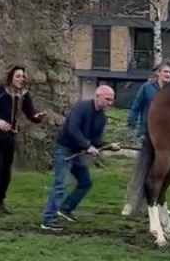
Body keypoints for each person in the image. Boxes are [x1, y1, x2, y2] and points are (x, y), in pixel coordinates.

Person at [41, 85, 119, 231]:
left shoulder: (101, 118)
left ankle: (65, 209)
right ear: (97, 96)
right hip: (64, 150)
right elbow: (72, 129)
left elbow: (95, 139)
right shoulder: (81, 108)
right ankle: (48, 221)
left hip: (78, 152)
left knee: (85, 183)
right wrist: (87, 146)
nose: (110, 103)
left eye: (112, 100)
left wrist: (108, 145)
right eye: (107, 99)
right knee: (60, 185)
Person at [0, 65, 47, 215]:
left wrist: (37, 117)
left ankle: (0, 201)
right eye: (17, 76)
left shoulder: (23, 94)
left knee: (5, 172)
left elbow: (30, 112)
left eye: (23, 76)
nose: (21, 79)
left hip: (9, 137)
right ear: (10, 77)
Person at [127, 62, 170, 143]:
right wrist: (131, 126)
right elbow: (136, 106)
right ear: (158, 73)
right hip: (146, 132)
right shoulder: (147, 87)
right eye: (165, 71)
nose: (168, 74)